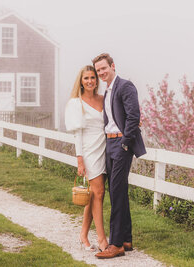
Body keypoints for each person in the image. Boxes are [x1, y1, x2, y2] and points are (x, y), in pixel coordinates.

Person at [92, 53, 146, 259]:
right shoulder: (107, 90)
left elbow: (134, 116)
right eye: (98, 71)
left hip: (122, 144)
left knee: (116, 190)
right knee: (118, 192)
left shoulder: (125, 86)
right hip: (110, 142)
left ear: (113, 66)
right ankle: (126, 238)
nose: (101, 73)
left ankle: (115, 245)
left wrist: (125, 143)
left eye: (104, 68)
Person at [65, 65, 109, 252]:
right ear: (81, 82)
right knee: (98, 193)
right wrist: (80, 160)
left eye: (93, 77)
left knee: (94, 195)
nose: (90, 81)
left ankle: (83, 235)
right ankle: (102, 239)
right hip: (89, 152)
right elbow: (78, 135)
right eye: (86, 78)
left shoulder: (103, 99)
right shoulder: (77, 103)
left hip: (105, 149)